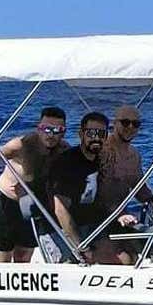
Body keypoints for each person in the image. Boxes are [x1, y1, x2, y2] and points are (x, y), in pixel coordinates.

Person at [0, 105, 67, 261]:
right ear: (39, 128)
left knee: (24, 255)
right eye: (46, 128)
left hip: (33, 204)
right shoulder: (23, 144)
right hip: (8, 203)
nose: (51, 134)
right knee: (3, 255)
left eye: (57, 130)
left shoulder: (63, 150)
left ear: (63, 131)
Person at [45, 111, 119, 262]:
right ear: (81, 134)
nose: (96, 138)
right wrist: (81, 247)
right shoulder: (66, 163)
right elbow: (60, 210)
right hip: (60, 229)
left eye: (101, 133)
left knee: (126, 257)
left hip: (89, 224)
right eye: (91, 133)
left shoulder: (101, 160)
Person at [98, 105, 153, 228]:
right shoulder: (103, 151)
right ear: (114, 123)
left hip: (121, 215)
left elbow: (138, 188)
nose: (130, 127)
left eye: (135, 124)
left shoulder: (134, 155)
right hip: (98, 216)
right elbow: (100, 192)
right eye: (125, 123)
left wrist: (152, 199)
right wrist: (120, 214)